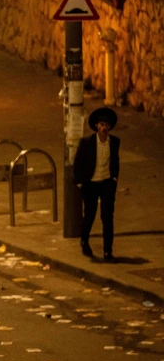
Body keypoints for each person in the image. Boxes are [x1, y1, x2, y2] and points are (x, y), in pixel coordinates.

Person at [73, 107, 120, 263]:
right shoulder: (87, 143)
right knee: (90, 215)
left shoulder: (114, 143)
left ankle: (108, 251)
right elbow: (78, 162)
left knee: (108, 218)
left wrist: (114, 179)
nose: (104, 128)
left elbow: (115, 161)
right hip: (91, 183)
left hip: (106, 183)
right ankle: (84, 240)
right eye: (101, 124)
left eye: (106, 125)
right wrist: (80, 182)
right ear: (96, 126)